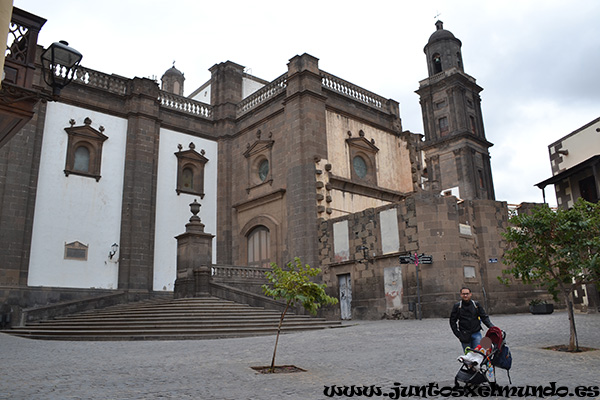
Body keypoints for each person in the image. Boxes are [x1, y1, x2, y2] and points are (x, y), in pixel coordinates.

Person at [449, 287, 494, 352]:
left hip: (476, 333)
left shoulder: (476, 305)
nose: (465, 295)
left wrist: (492, 327)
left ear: (470, 294)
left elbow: (484, 317)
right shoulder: (457, 306)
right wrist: (457, 334)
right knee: (468, 356)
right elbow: (452, 321)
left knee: (478, 354)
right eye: (463, 294)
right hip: (464, 335)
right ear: (460, 295)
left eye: (467, 293)